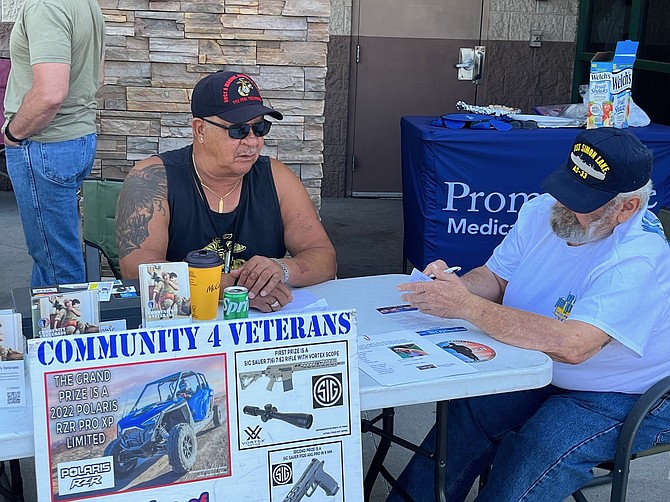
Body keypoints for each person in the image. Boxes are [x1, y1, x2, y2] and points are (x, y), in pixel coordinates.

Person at [390, 128, 670, 502]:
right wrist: (451, 289)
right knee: (468, 413)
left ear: (627, 208)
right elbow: (495, 278)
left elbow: (575, 346)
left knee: (535, 449)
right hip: (539, 364)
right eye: (566, 187)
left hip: (625, 390)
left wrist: (467, 306)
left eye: (582, 200)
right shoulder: (544, 209)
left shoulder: (639, 256)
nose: (564, 205)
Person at [116, 71, 337, 312]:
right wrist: (233, 290)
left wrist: (281, 270)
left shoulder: (277, 177)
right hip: (182, 323)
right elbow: (138, 269)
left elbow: (324, 257)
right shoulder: (154, 178)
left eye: (260, 128)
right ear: (200, 129)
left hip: (260, 326)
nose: (253, 141)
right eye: (238, 130)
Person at [3, 0, 105, 287]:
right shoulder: (86, 4)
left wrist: (12, 134)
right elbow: (98, 76)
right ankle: (44, 329)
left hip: (46, 145)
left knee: (57, 263)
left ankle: (69, 331)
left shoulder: (44, 6)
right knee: (53, 252)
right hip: (77, 139)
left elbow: (50, 94)